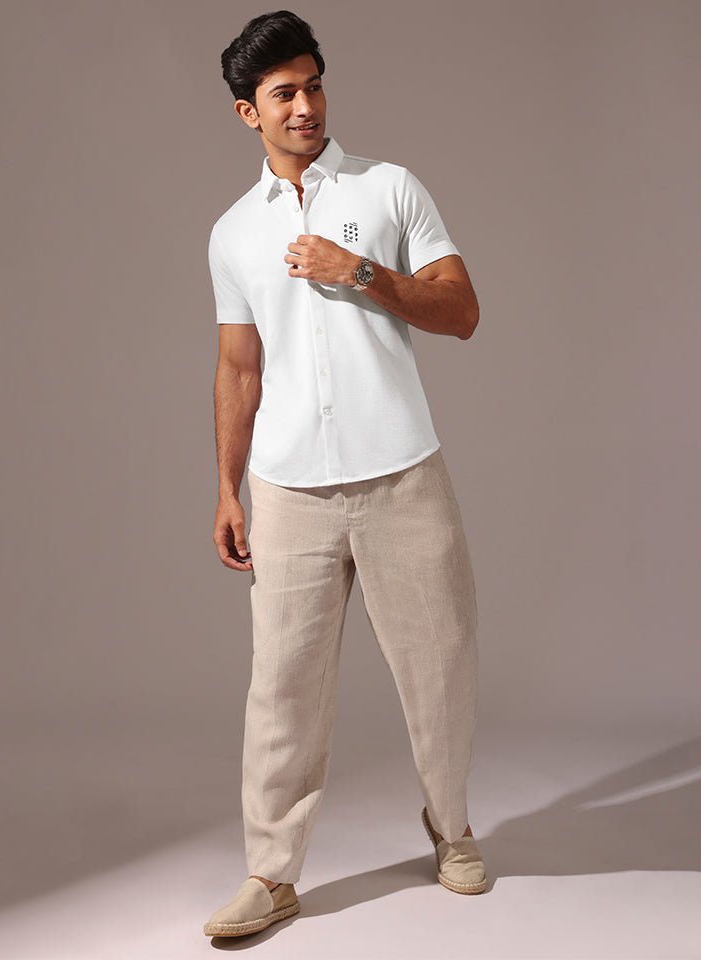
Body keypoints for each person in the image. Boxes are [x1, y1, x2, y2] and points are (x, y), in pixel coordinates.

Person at [203, 10, 486, 940]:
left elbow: (461, 312)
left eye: (314, 85)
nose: (306, 106)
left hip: (402, 471)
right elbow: (239, 368)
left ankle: (452, 829)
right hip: (288, 491)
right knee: (281, 690)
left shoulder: (389, 187)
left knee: (440, 669)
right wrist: (227, 487)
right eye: (284, 93)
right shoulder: (233, 233)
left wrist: (358, 271)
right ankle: (271, 875)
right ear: (248, 112)